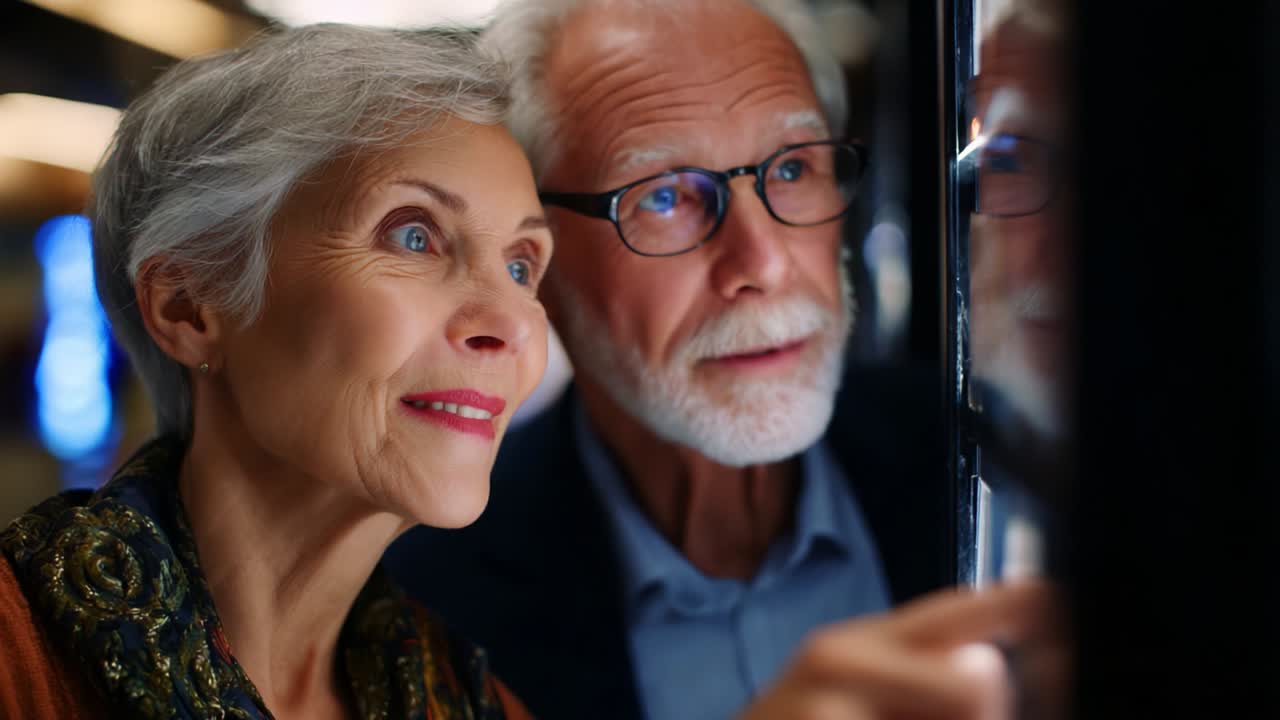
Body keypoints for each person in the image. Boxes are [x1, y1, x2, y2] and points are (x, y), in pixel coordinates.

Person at [385, 1, 1055, 718]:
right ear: (531, 259)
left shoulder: (1007, 459)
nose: (761, 263)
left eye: (793, 167)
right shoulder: (422, 601)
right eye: (665, 195)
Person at [0, 24, 552, 720]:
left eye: (521, 266)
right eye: (413, 234)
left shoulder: (484, 706)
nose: (511, 323)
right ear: (188, 304)